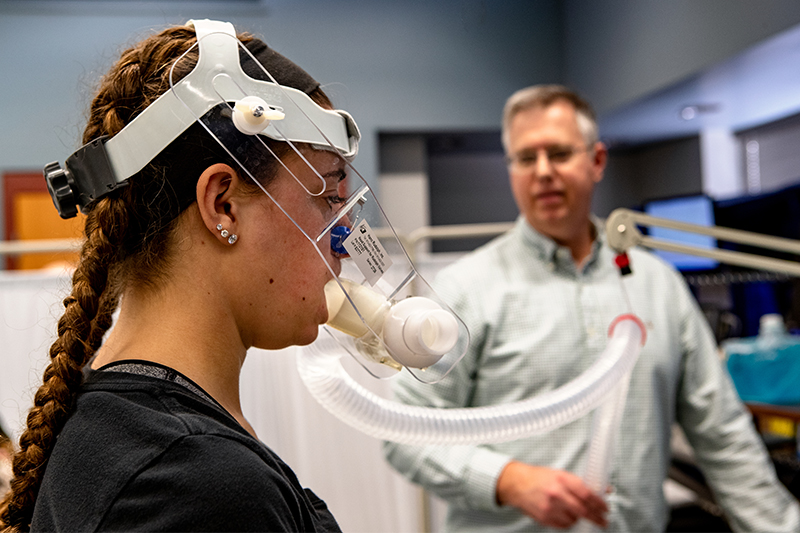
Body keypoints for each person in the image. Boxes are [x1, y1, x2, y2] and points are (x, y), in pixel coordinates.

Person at [383, 84, 800, 531]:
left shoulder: (658, 285)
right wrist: (506, 479)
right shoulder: (463, 291)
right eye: (526, 158)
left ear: (597, 160)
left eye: (560, 154)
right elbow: (406, 434)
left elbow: (723, 435)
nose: (543, 172)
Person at [0, 19, 359, 532]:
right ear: (223, 204)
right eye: (326, 197)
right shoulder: (197, 483)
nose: (343, 239)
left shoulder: (116, 424)